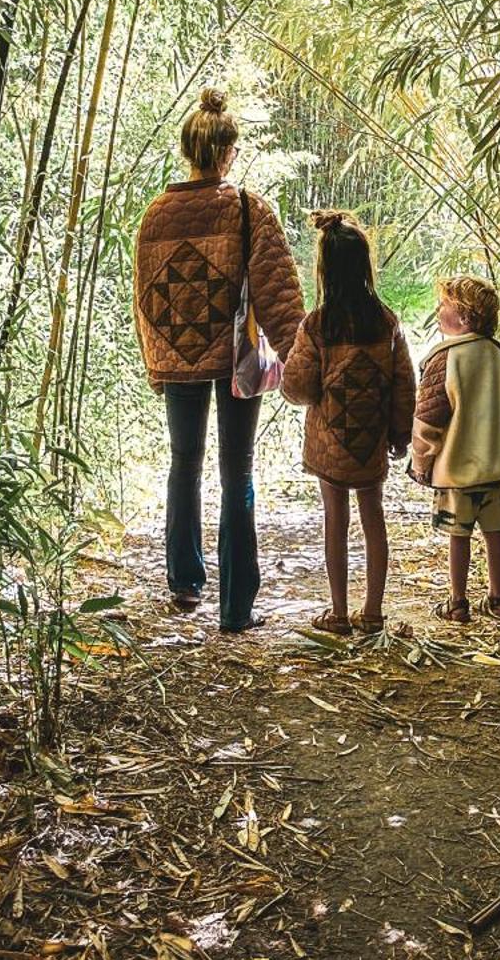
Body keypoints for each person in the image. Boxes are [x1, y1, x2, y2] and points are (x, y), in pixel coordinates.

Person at [133, 88, 305, 632]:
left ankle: (184, 583)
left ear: (189, 150)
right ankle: (236, 605)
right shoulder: (248, 209)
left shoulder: (156, 215)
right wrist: (301, 358)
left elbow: (146, 296)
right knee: (238, 470)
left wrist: (157, 360)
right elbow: (278, 292)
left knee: (184, 463)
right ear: (228, 152)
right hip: (237, 357)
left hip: (180, 357)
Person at [282, 212, 416, 636]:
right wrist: (399, 434)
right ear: (365, 266)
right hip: (370, 442)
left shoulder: (317, 324)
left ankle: (339, 613)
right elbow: (403, 385)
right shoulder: (387, 323)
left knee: (334, 520)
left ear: (324, 270)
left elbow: (298, 387)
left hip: (330, 443)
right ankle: (373, 611)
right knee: (373, 517)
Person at [410, 275, 500, 624]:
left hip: (456, 472)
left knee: (457, 536)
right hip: (495, 470)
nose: (437, 311)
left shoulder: (445, 359)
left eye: (444, 306)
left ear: (463, 318)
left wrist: (421, 462)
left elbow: (428, 421)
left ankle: (458, 602)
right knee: (495, 533)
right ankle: (498, 598)